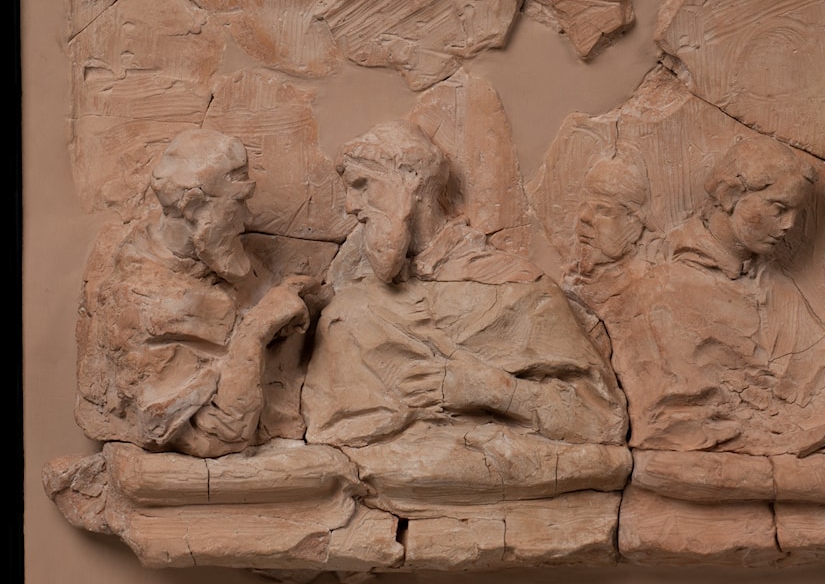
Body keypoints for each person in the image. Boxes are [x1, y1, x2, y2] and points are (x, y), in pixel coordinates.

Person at [302, 120, 630, 498]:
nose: (351, 206)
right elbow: (330, 427)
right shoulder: (349, 309)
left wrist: (490, 389)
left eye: (363, 185)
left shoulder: (518, 291)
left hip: (499, 496)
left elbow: (598, 419)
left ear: (410, 181)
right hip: (383, 491)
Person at [631, 136, 825, 457]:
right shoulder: (667, 288)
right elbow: (672, 418)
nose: (790, 225)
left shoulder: (777, 291)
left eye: (796, 212)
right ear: (730, 196)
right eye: (779, 208)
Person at [76, 129, 318, 458]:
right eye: (238, 203)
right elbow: (222, 434)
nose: (247, 219)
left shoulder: (218, 256)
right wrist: (256, 330)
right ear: (192, 206)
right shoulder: (142, 305)